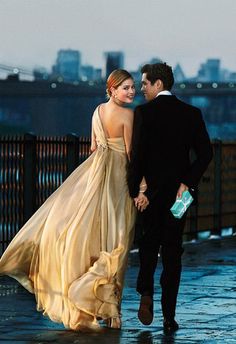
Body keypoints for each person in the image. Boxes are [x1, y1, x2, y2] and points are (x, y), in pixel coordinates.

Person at [0, 69, 136, 332]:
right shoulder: (128, 115)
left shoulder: (96, 111)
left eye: (132, 87)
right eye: (126, 88)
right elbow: (131, 154)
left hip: (93, 176)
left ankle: (93, 303)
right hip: (118, 180)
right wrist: (141, 186)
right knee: (118, 241)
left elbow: (94, 148)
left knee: (90, 236)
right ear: (113, 90)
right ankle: (113, 313)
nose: (131, 92)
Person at [127, 62, 213, 333]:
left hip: (150, 196)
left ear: (158, 84)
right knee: (173, 252)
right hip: (180, 197)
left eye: (144, 84)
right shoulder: (191, 114)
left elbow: (137, 158)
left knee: (148, 246)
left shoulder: (143, 113)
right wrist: (187, 182)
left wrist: (135, 192)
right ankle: (169, 316)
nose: (141, 89)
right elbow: (206, 153)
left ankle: (146, 295)